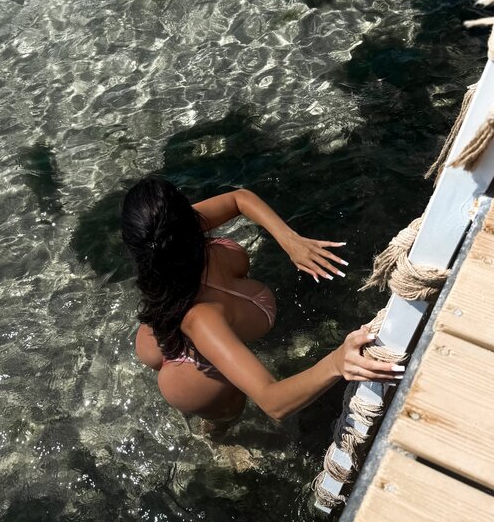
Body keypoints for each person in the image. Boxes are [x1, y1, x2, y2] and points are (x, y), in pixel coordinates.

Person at [121, 177, 403, 424]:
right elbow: (272, 401)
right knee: (229, 416)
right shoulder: (201, 317)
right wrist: (336, 363)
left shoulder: (165, 243)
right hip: (194, 377)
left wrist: (289, 238)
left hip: (161, 329)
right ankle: (217, 436)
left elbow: (238, 198)